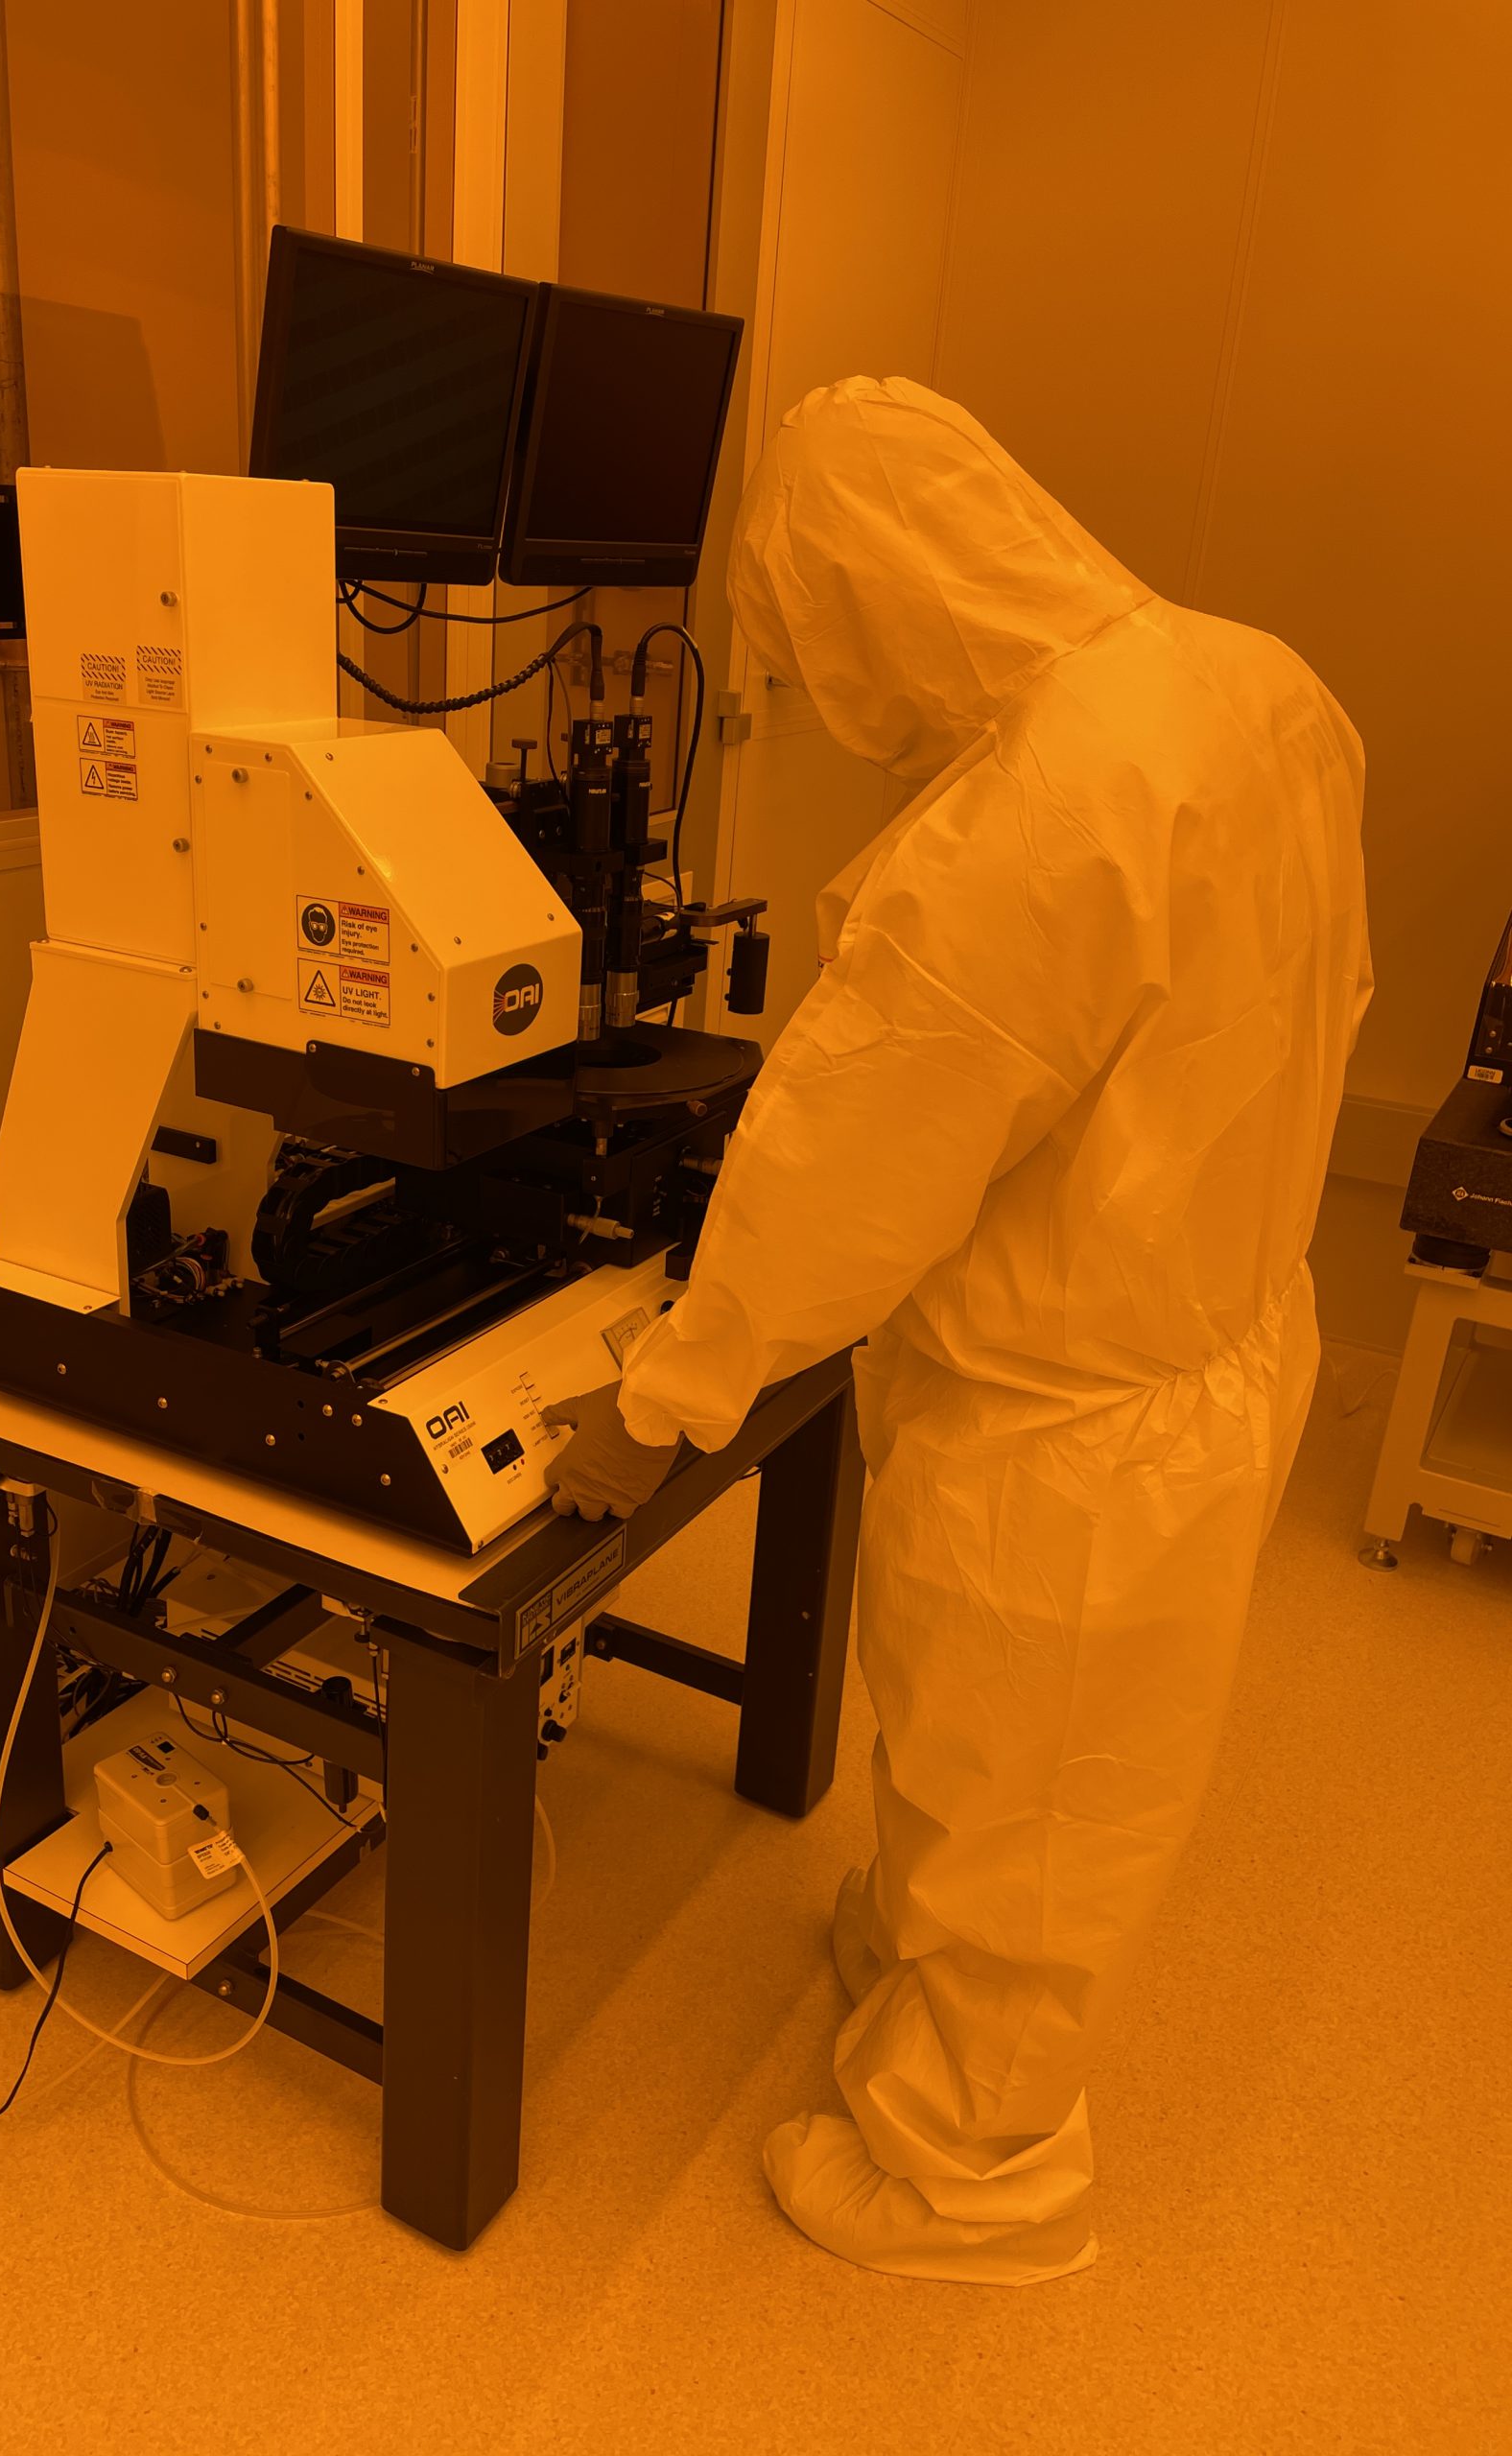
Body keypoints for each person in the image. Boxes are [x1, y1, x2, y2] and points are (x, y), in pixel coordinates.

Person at [541, 376, 1371, 2284]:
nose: (840, 686)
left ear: (884, 588)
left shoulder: (1022, 827)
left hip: (1073, 1412)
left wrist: (665, 1393)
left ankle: (972, 2169)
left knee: (1039, 1789)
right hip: (1222, 1317)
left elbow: (847, 1168)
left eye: (826, 636)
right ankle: (920, 1960)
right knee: (994, 1734)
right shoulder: (1254, 681)